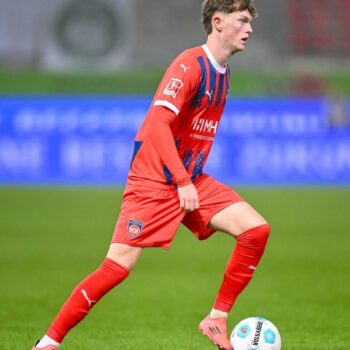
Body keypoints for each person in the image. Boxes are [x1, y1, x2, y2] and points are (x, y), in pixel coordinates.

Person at [32, 1, 270, 349]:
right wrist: (182, 180)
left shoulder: (223, 73)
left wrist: (189, 179)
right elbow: (158, 122)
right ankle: (48, 343)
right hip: (155, 180)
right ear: (218, 23)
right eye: (243, 21)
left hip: (191, 178)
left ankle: (216, 318)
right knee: (116, 268)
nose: (249, 29)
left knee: (255, 230)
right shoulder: (190, 65)